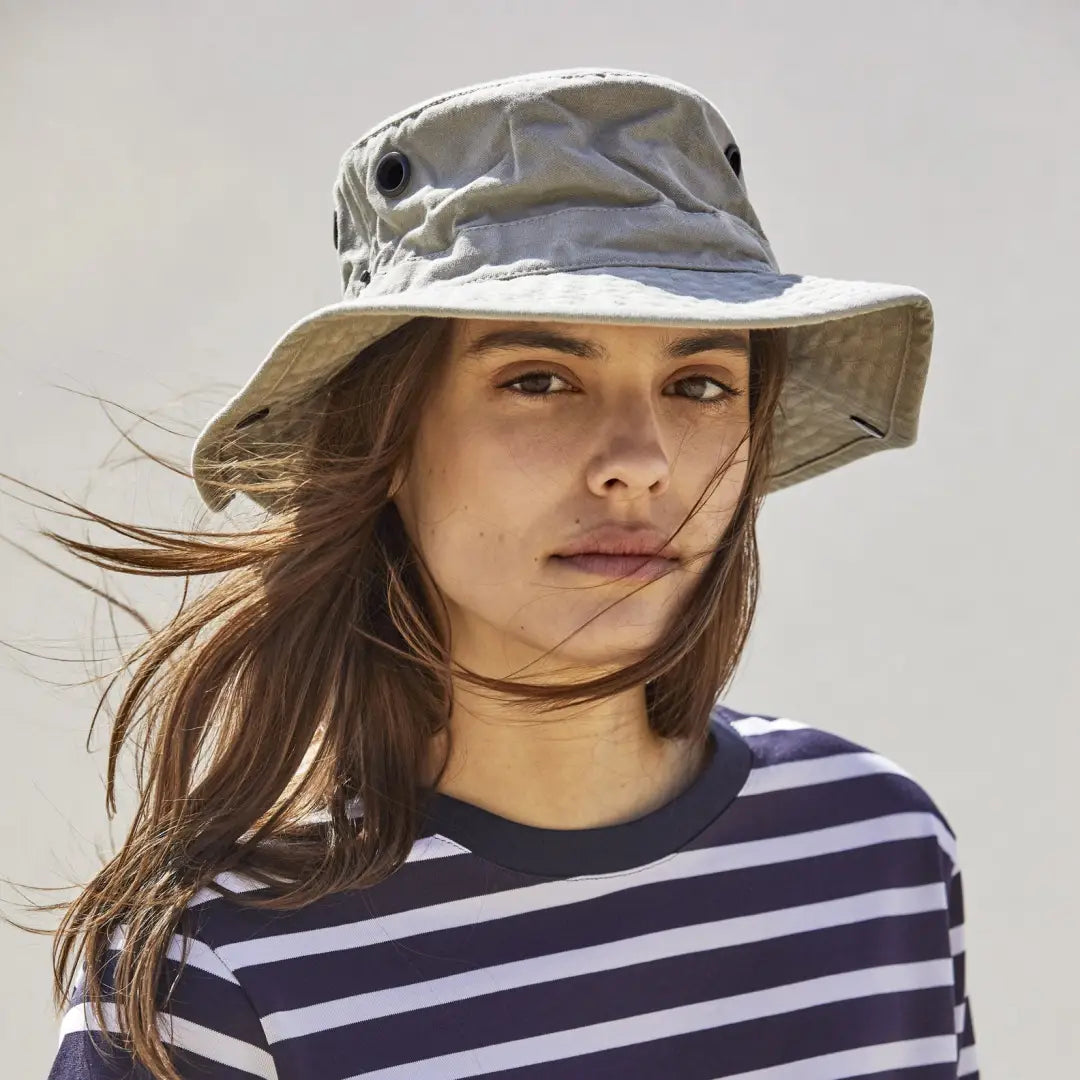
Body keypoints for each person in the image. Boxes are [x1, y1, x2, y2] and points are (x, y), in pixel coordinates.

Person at [37, 68, 978, 1078]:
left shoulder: (876, 848)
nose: (640, 457)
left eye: (700, 384)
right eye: (538, 379)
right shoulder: (209, 969)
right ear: (388, 443)